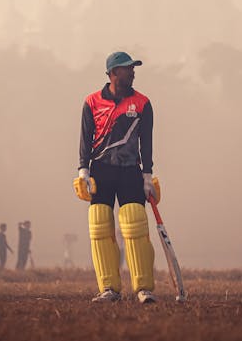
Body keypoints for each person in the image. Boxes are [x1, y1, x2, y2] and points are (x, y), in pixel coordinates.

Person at [74, 51, 159, 304]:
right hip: (101, 169)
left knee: (135, 225)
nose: (132, 72)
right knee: (100, 226)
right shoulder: (92, 102)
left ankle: (143, 288)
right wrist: (83, 171)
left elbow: (147, 143)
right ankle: (109, 289)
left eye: (133, 68)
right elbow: (85, 138)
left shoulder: (142, 103)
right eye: (127, 68)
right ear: (112, 73)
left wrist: (147, 176)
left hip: (131, 170)